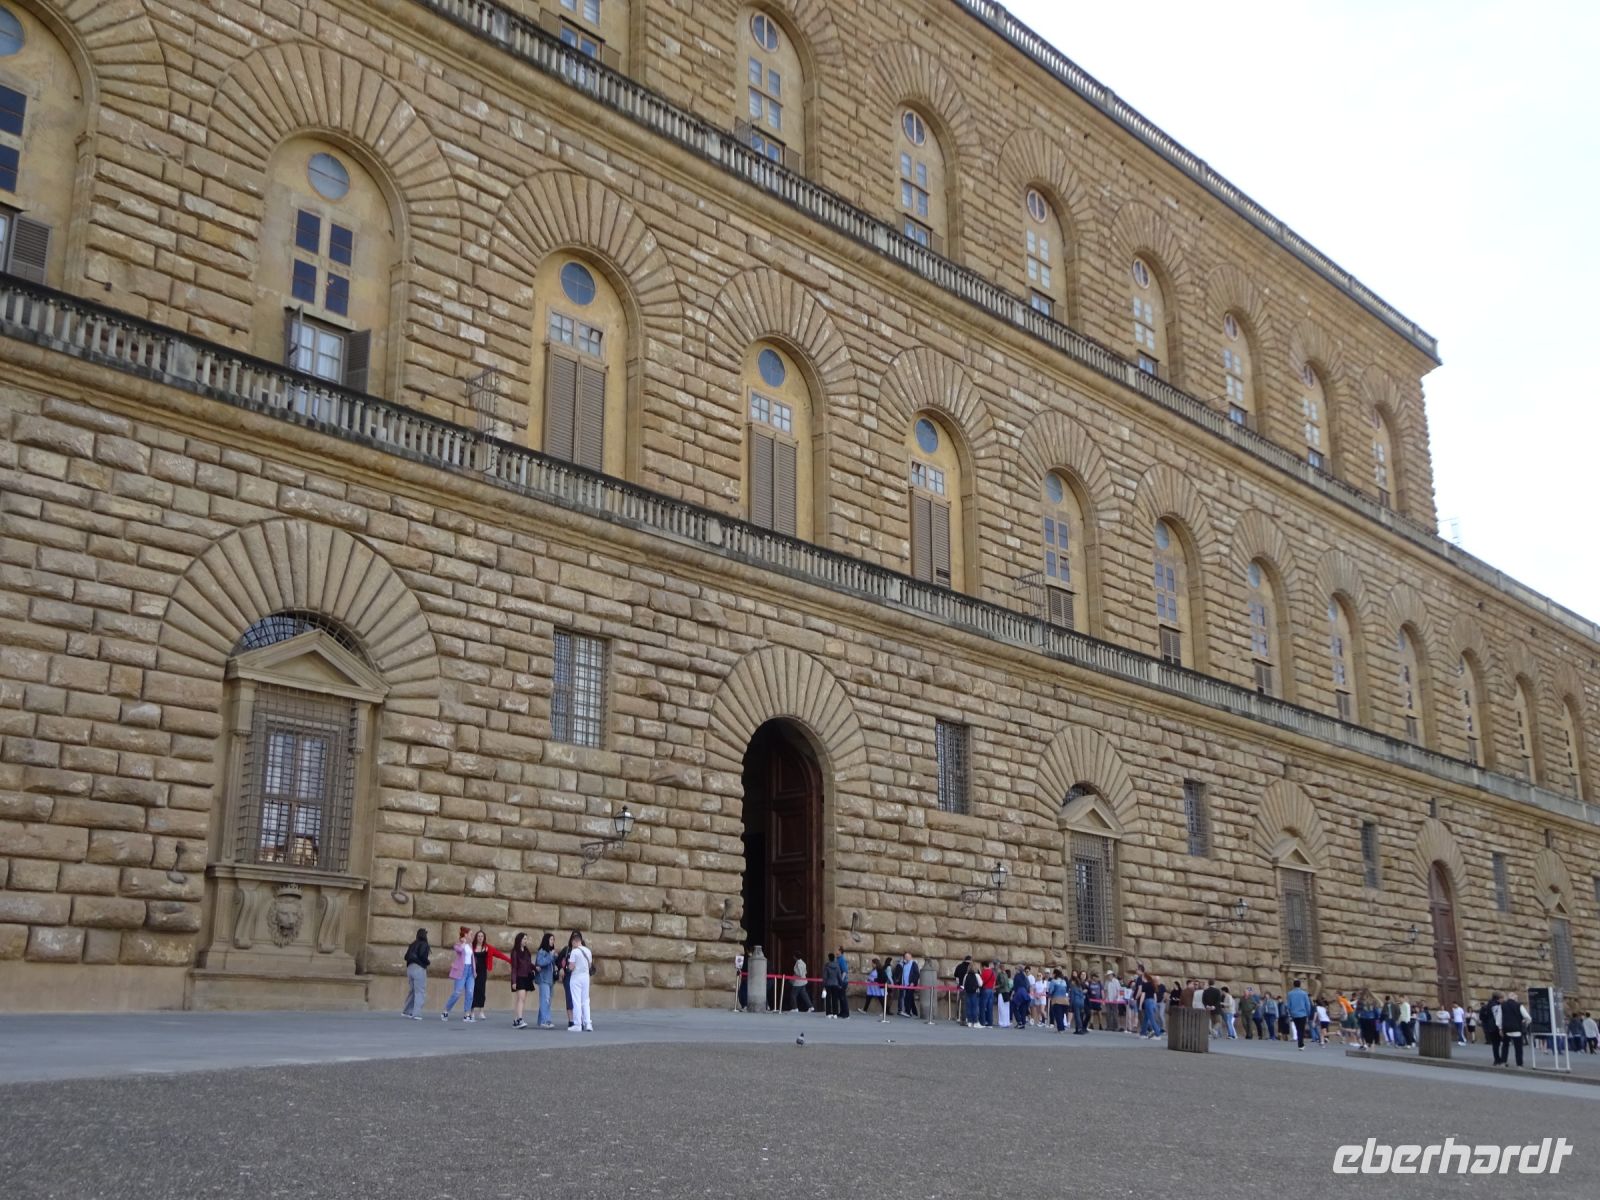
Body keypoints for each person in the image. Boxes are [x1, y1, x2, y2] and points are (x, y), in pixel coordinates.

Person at [469, 929, 512, 1022]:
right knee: (472, 990)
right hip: (472, 971)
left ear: (484, 938)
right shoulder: (471, 947)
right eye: (478, 936)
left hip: (482, 972)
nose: (480, 938)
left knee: (481, 990)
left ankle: (481, 1011)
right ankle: (471, 1012)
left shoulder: (488, 948)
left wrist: (510, 961)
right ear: (476, 937)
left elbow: (500, 955)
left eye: (482, 936)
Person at [441, 926, 475, 1021]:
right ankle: (445, 1011)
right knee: (457, 992)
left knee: (470, 992)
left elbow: (472, 959)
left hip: (470, 971)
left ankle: (466, 1014)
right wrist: (463, 942)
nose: (472, 936)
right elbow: (459, 950)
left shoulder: (471, 945)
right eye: (471, 934)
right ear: (465, 935)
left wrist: (474, 971)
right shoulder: (458, 944)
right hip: (461, 970)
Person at [566, 930, 594, 1032]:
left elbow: (571, 967)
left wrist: (568, 967)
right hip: (586, 977)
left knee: (576, 1000)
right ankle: (588, 1023)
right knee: (586, 1000)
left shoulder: (574, 951)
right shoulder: (588, 951)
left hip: (576, 977)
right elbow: (590, 965)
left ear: (574, 941)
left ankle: (578, 1024)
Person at [401, 927, 429, 1019]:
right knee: (420, 991)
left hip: (410, 968)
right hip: (419, 968)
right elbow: (422, 956)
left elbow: (406, 957)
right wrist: (428, 962)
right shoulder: (424, 944)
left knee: (412, 991)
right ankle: (416, 1014)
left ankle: (406, 1011)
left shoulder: (412, 944)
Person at [509, 931, 535, 1029]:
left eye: (526, 939)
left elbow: (528, 963)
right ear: (519, 940)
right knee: (521, 998)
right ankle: (519, 1019)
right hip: (519, 977)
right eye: (524, 939)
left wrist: (535, 967)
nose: (526, 941)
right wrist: (514, 981)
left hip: (527, 976)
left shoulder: (526, 951)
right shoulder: (515, 952)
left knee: (521, 1000)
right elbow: (514, 967)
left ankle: (516, 1019)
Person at [1499, 992, 1529, 1067]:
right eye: (1516, 996)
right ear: (1514, 997)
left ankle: (1503, 1061)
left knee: (1505, 1046)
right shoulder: (1519, 1005)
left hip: (1506, 1028)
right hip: (1517, 1028)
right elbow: (1527, 1017)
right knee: (1518, 1047)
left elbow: (1499, 1017)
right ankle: (1519, 1064)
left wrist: (1500, 1028)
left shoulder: (1502, 1005)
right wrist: (1524, 1022)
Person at [534, 933, 558, 1028]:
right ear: (546, 940)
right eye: (551, 939)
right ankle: (545, 1021)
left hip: (550, 979)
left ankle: (541, 1020)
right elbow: (540, 962)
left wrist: (554, 957)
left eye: (553, 940)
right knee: (546, 999)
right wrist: (551, 956)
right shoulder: (542, 951)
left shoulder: (550, 952)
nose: (552, 941)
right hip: (544, 979)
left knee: (547, 1000)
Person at [1285, 979, 1312, 1049]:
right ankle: (1301, 1044)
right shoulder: (1304, 993)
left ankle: (1300, 1043)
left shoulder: (1290, 994)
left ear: (1293, 985)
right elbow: (1307, 1004)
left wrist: (1290, 1013)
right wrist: (1308, 1013)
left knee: (1297, 1028)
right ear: (1300, 985)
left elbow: (1288, 1005)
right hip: (1302, 1014)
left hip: (1294, 1014)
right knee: (1301, 1029)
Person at [960, 958, 981, 1027]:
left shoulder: (966, 975)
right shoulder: (977, 975)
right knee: (975, 1007)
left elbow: (963, 984)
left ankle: (969, 1021)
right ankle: (975, 1022)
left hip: (967, 992)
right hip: (975, 992)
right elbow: (980, 984)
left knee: (968, 1007)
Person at [899, 953, 920, 1017]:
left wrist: (913, 982)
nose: (906, 958)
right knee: (911, 998)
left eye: (908, 956)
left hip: (911, 984)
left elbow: (917, 974)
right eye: (905, 956)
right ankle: (915, 1012)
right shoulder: (904, 964)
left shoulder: (913, 964)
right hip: (905, 984)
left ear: (911, 957)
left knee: (907, 998)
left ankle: (907, 1012)